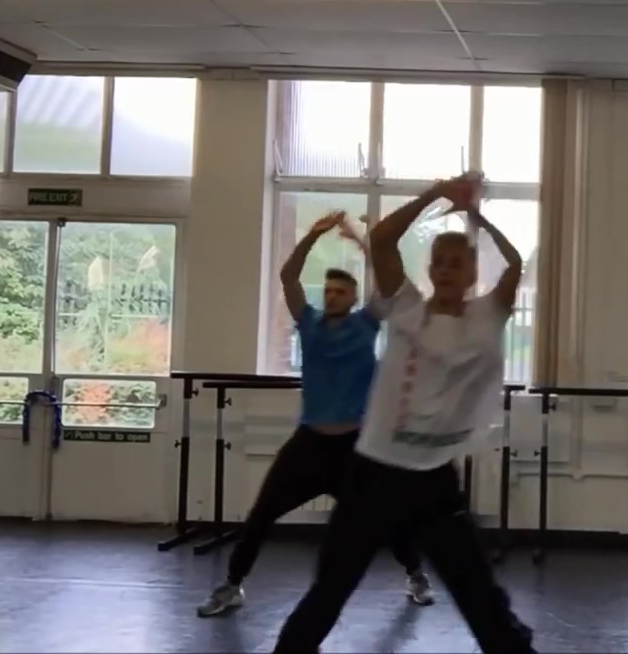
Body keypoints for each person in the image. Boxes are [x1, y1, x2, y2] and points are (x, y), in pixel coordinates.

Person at [273, 178, 535, 654]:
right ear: (430, 269)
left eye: (457, 263)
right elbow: (381, 240)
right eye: (439, 262)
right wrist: (435, 193)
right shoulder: (406, 305)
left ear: (472, 272)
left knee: (480, 597)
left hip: (434, 478)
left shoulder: (488, 315)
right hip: (374, 472)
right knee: (331, 589)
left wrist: (474, 215)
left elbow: (515, 263)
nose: (447, 270)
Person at [198, 211, 434, 618]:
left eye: (340, 292)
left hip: (355, 448)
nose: (332, 297)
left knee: (388, 518)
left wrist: (361, 242)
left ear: (353, 298)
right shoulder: (308, 323)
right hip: (309, 444)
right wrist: (312, 235)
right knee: (261, 514)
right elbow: (288, 277)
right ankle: (232, 585)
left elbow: (389, 282)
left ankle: (416, 575)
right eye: (328, 291)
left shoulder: (367, 323)